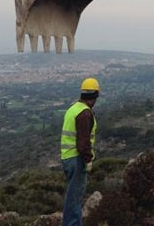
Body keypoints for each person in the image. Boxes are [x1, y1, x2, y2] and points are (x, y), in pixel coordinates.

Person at [60, 77, 100, 226]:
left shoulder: (73, 109)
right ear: (95, 96)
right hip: (77, 159)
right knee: (75, 199)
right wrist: (88, 159)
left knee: (72, 197)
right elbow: (83, 144)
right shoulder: (84, 113)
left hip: (68, 158)